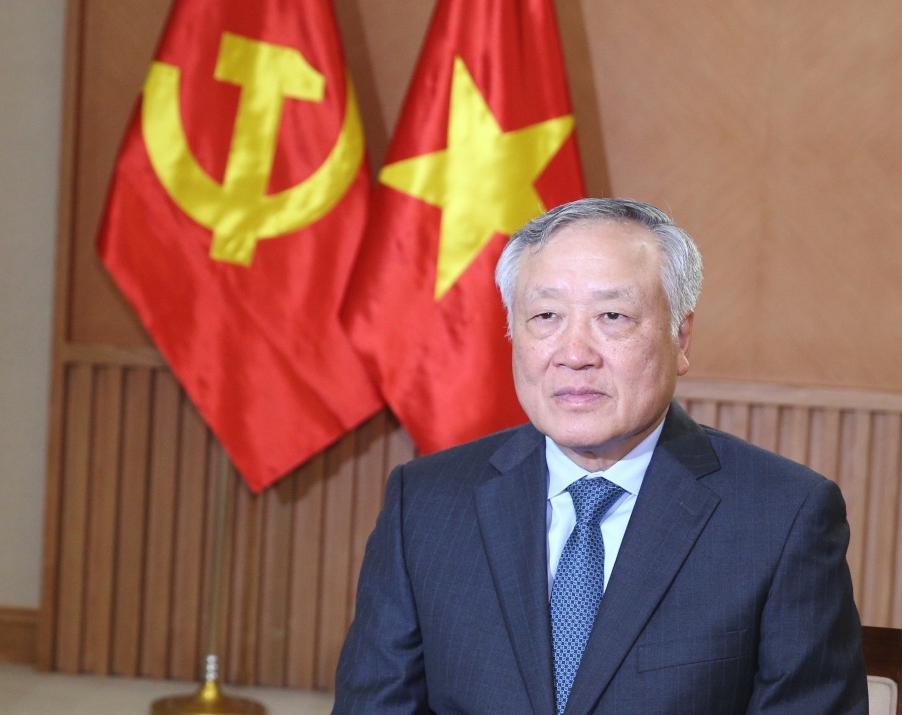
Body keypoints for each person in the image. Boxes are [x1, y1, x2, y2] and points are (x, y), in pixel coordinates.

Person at [333, 198, 868, 714]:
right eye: (545, 316)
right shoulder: (424, 504)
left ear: (680, 337)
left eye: (612, 316)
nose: (574, 354)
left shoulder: (782, 517)